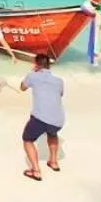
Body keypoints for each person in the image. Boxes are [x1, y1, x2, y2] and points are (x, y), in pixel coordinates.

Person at [18, 52, 65, 181]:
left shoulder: (32, 76)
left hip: (40, 118)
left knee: (27, 139)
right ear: (49, 66)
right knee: (52, 134)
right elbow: (60, 94)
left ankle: (36, 170)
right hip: (58, 120)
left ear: (36, 65)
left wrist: (33, 73)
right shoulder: (59, 81)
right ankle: (54, 162)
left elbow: (22, 87)